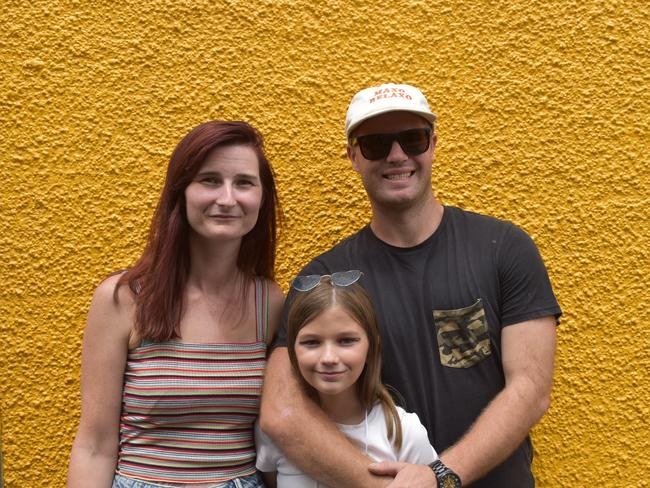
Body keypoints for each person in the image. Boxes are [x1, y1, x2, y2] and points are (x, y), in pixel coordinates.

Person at [259, 83, 561, 488]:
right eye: (376, 144)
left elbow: (530, 388)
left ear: (433, 144)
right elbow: (282, 411)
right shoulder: (325, 279)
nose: (397, 155)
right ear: (353, 156)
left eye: (412, 139)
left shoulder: (504, 249)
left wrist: (440, 476)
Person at [67, 120, 285, 488]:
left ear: (262, 198)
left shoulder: (269, 301)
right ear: (180, 192)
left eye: (244, 182)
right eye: (210, 180)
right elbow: (94, 446)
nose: (228, 198)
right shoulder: (124, 299)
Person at [255, 270, 438, 487]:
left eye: (346, 341)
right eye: (311, 342)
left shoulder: (404, 432)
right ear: (292, 351)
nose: (329, 358)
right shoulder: (274, 433)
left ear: (372, 347)